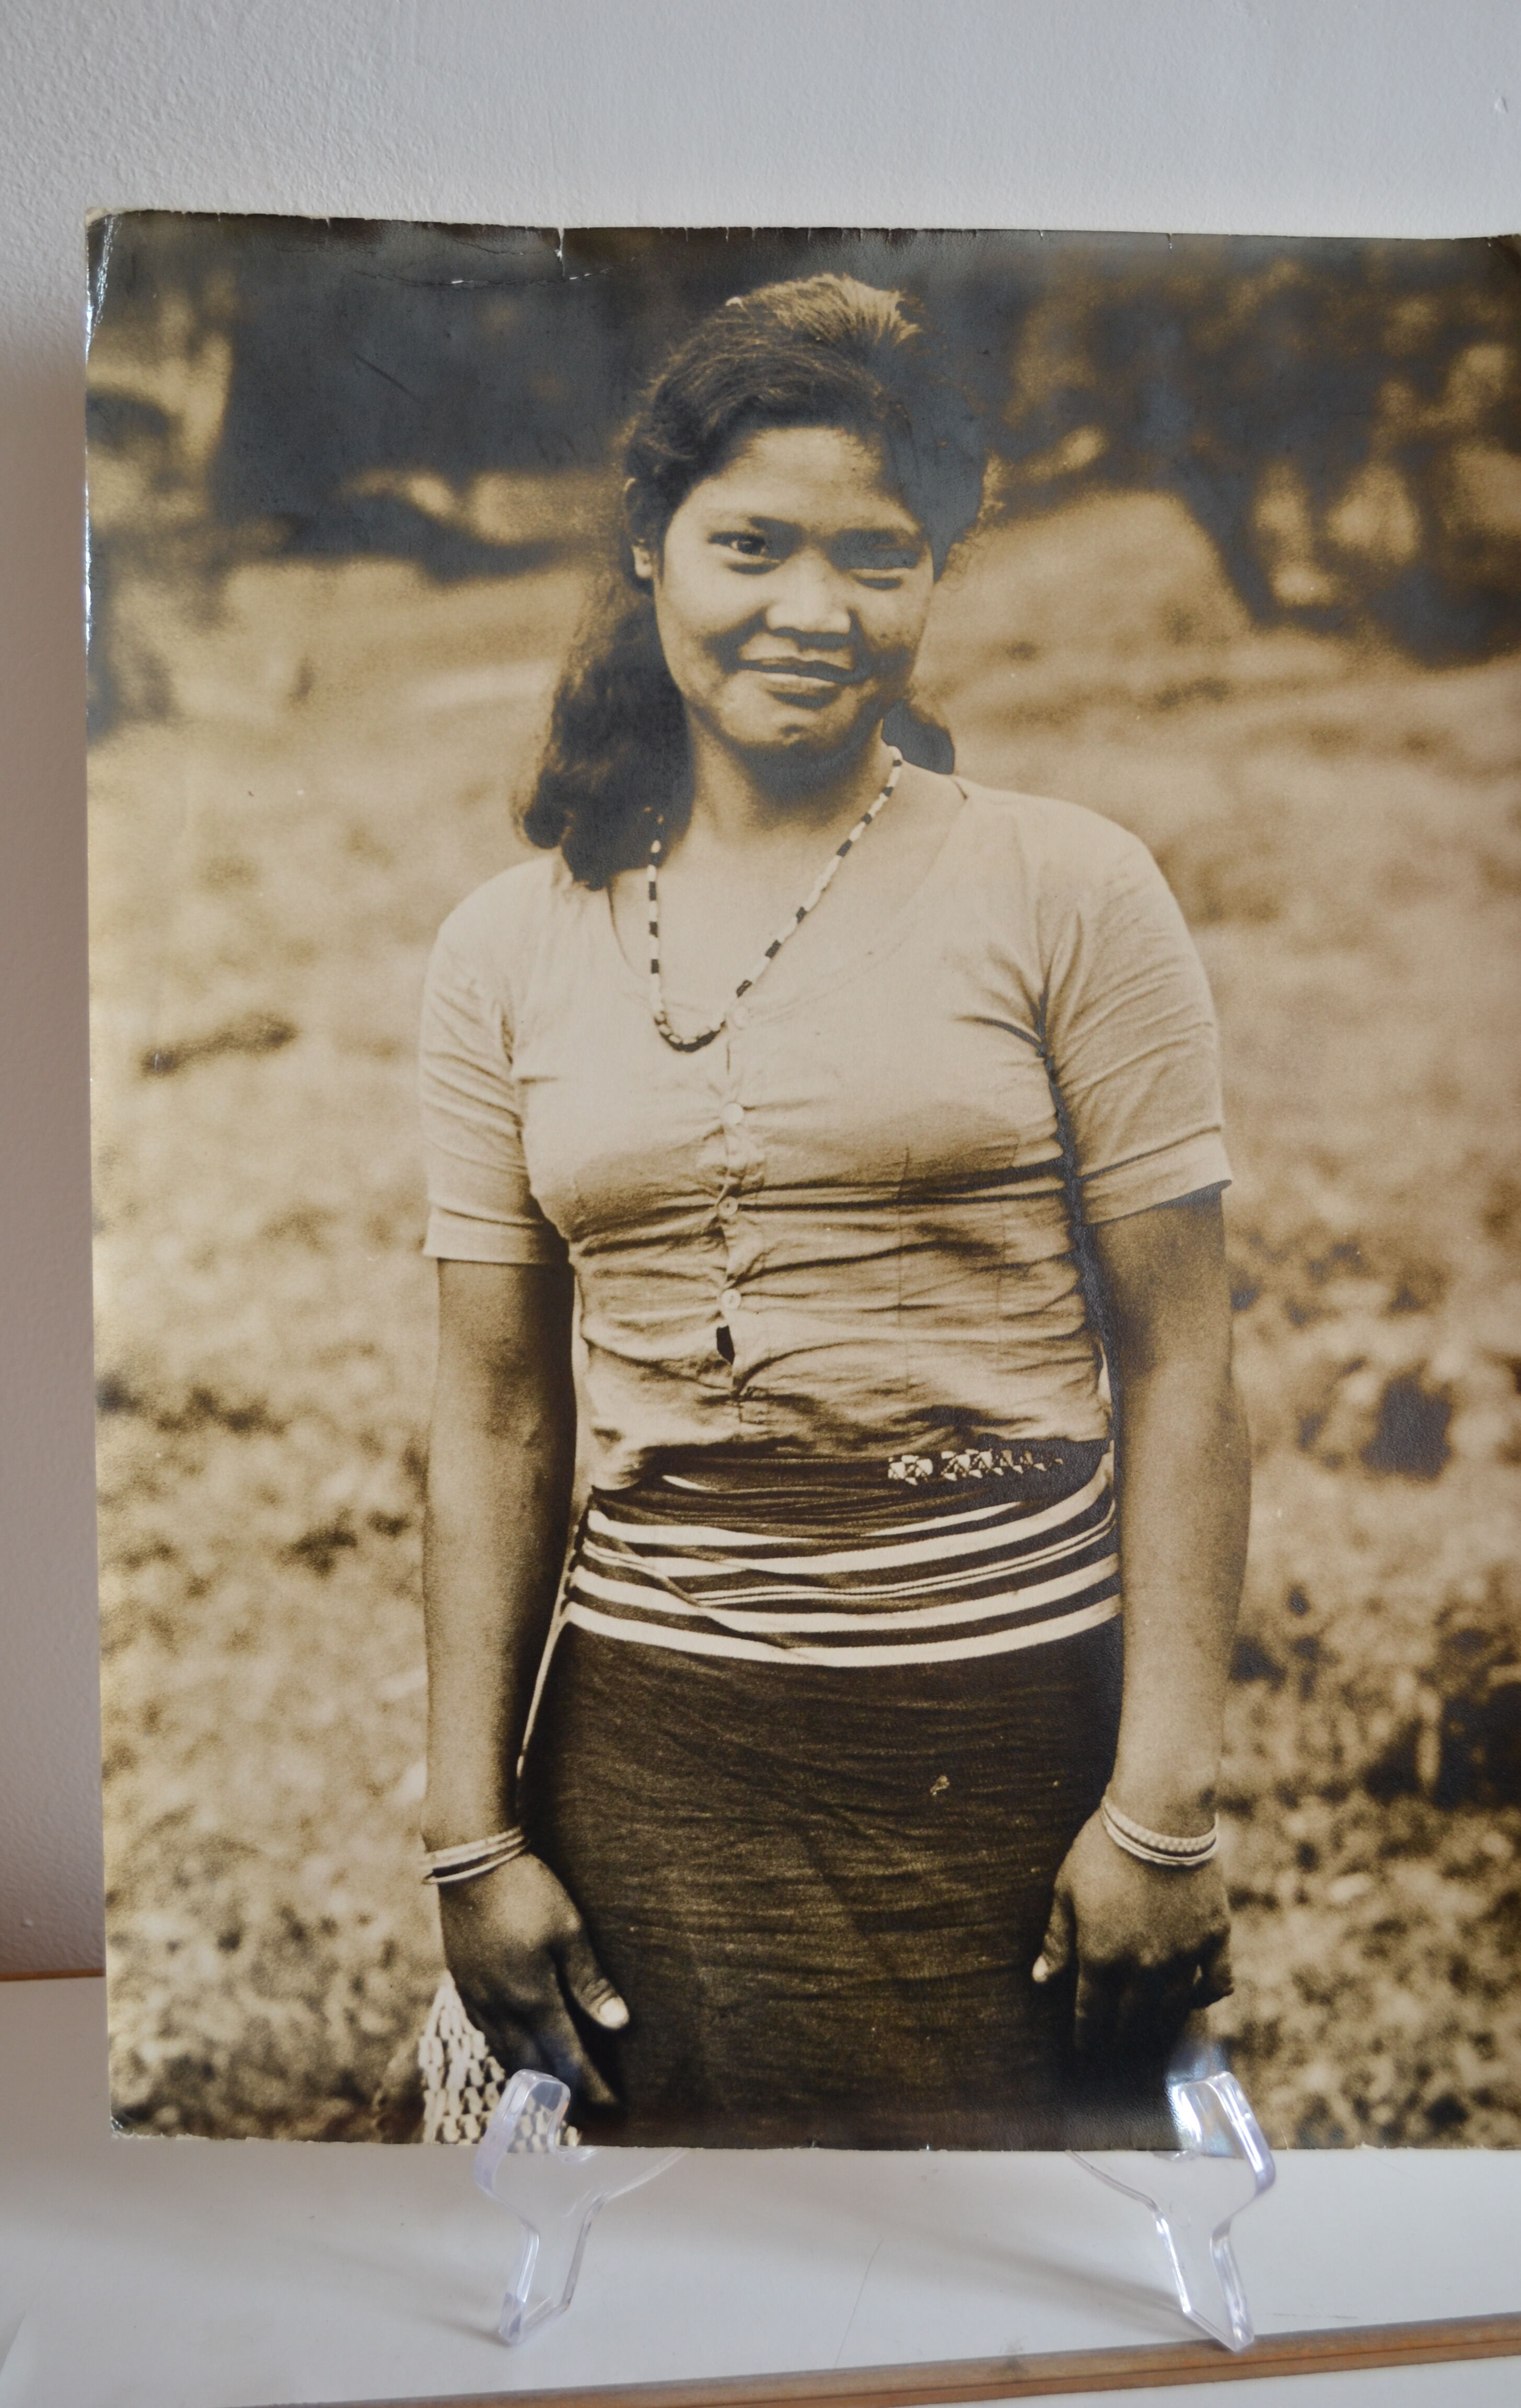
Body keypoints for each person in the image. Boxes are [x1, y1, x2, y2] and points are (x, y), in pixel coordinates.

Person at [416, 273, 1249, 2149]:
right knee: (674, 2262)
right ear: (651, 542)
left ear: (936, 569)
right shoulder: (506, 949)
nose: (815, 609)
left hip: (1011, 1751)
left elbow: (1184, 1361)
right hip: (653, 1764)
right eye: (754, 546)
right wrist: (473, 1837)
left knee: (1018, 2265)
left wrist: (1161, 1812)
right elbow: (495, 1411)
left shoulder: (1070, 889)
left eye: (879, 557)